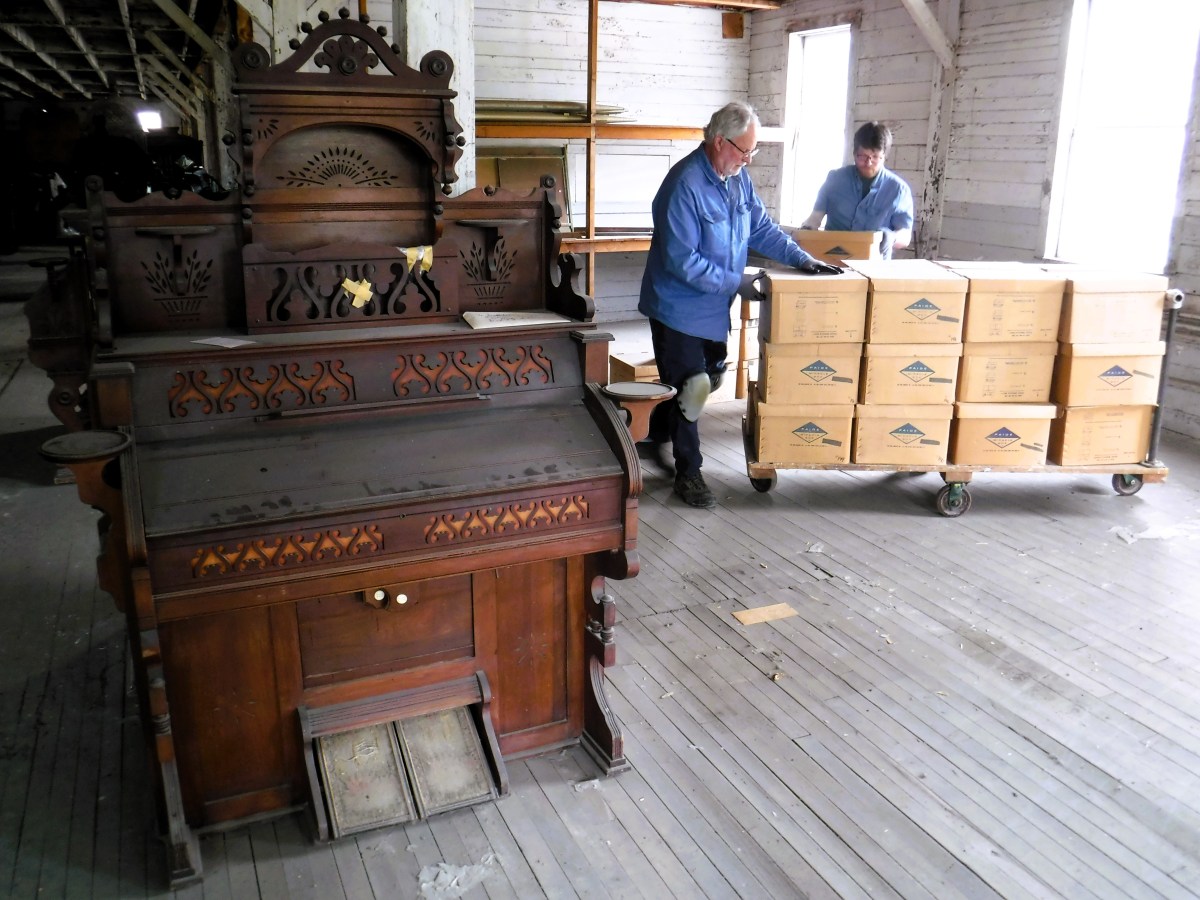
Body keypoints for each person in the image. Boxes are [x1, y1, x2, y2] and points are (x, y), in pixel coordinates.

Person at [639, 101, 842, 509]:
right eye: (744, 151)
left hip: (714, 306)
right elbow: (682, 262)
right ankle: (689, 472)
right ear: (719, 142)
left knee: (707, 380)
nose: (748, 160)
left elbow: (761, 229)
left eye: (753, 153)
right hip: (677, 306)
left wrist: (802, 258)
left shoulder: (738, 180)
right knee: (693, 387)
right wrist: (739, 282)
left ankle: (652, 429)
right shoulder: (683, 185)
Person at [801, 121, 914, 259]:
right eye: (862, 156)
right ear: (854, 153)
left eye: (875, 157)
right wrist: (805, 231)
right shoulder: (835, 179)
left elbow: (905, 235)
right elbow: (815, 218)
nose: (868, 162)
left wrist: (892, 238)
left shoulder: (898, 190)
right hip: (832, 261)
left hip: (874, 265)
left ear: (884, 156)